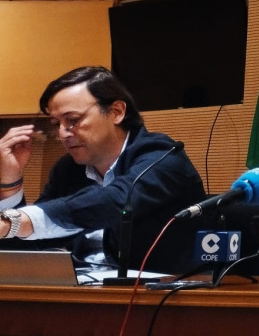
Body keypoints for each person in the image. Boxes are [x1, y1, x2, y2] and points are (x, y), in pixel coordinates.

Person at [0, 66, 206, 272]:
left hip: (157, 294)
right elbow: (27, 247)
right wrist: (11, 182)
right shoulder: (68, 170)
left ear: (116, 112)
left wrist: (13, 221)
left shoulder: (162, 157)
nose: (63, 133)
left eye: (72, 120)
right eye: (56, 123)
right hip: (83, 289)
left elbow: (114, 202)